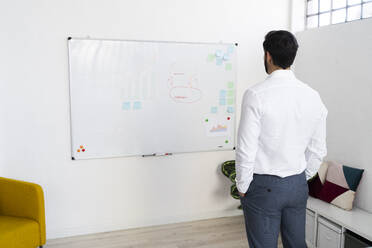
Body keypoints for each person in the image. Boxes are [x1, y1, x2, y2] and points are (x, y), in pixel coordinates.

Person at [235, 30, 327, 248]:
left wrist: (242, 184)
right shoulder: (312, 95)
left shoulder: (256, 94)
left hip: (264, 186)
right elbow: (318, 149)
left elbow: (246, 148)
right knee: (296, 244)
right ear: (293, 57)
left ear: (268, 56)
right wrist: (301, 177)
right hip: (296, 184)